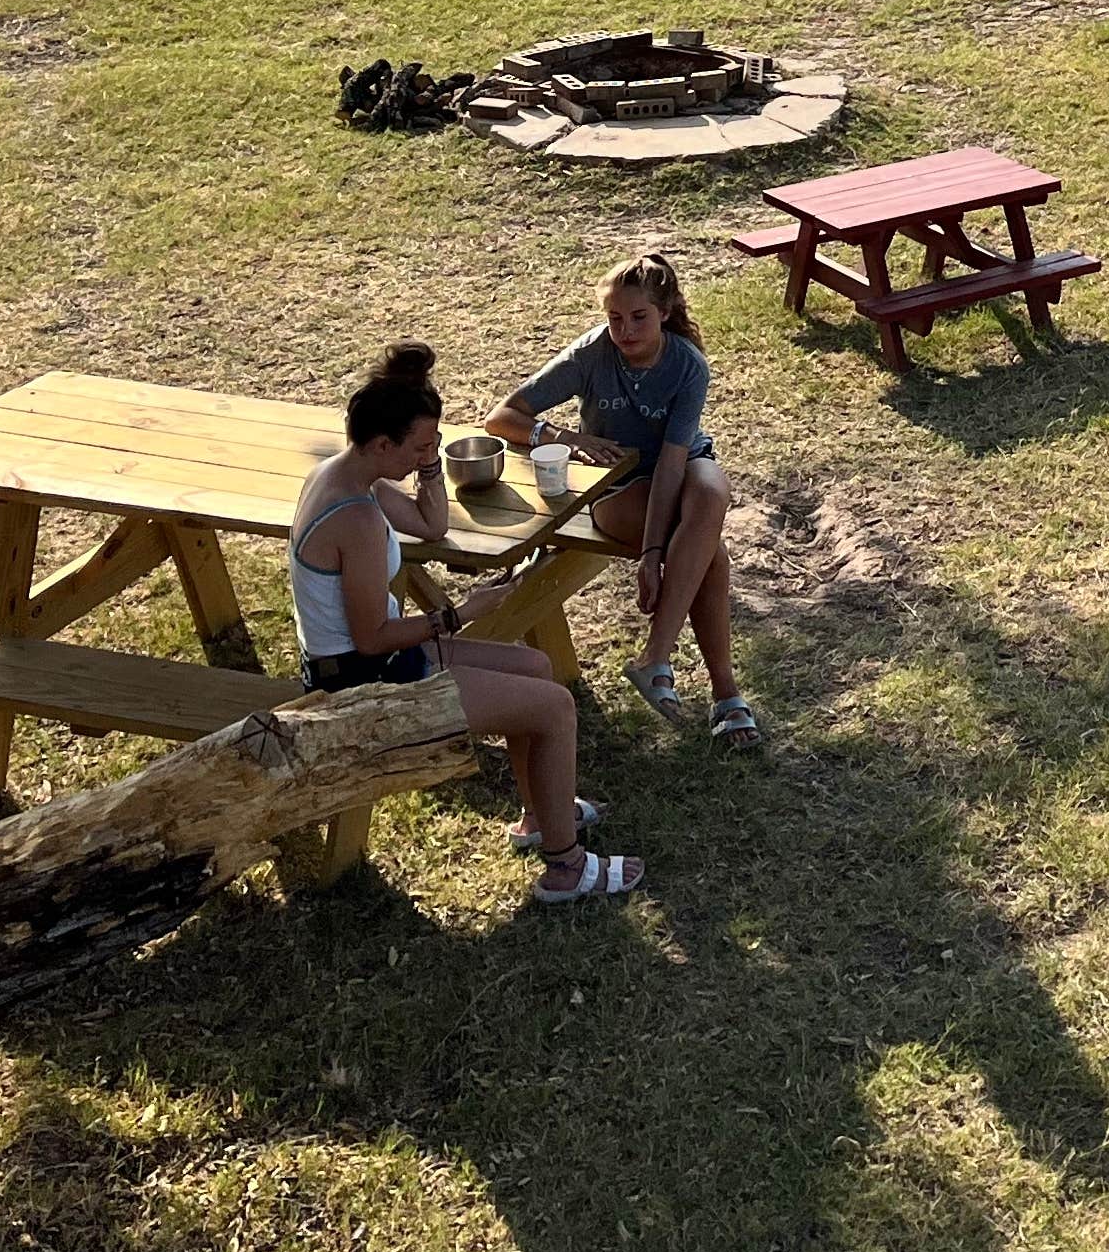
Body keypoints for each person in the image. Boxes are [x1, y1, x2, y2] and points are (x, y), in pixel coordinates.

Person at [290, 347, 644, 906]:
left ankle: (541, 816)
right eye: (420, 447)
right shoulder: (355, 517)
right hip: (360, 681)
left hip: (374, 661)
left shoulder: (349, 475)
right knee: (555, 708)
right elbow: (371, 638)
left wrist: (430, 468)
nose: (428, 456)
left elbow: (431, 525)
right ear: (381, 445)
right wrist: (460, 614)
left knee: (537, 667)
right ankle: (565, 868)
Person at [482, 255, 761, 749]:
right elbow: (502, 417)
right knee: (710, 554)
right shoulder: (591, 354)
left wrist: (652, 556)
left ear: (665, 313)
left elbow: (673, 464)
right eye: (614, 318)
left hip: (679, 470)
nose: (625, 331)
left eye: (638, 317)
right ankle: (722, 692)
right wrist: (567, 437)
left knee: (710, 490)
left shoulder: (687, 365)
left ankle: (657, 654)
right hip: (616, 487)